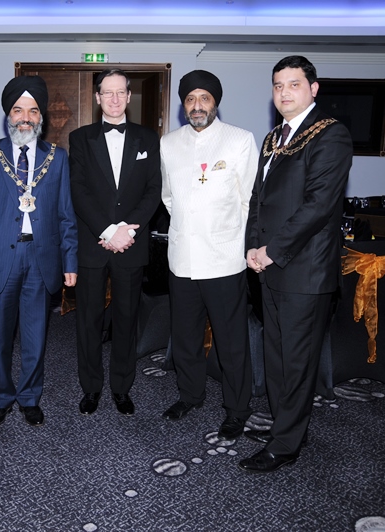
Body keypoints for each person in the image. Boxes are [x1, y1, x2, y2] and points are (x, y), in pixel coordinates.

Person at [240, 56, 352, 473]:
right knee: (276, 355)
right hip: (269, 265)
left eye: (293, 84)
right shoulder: (274, 137)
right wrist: (253, 247)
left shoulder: (331, 134)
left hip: (304, 270)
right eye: (278, 85)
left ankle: (285, 445)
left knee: (297, 360)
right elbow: (258, 200)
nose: (284, 92)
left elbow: (318, 206)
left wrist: (272, 250)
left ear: (313, 89)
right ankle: (285, 426)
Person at [0, 75, 78, 428]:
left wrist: (70, 260)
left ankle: (30, 397)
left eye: (33, 111)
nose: (25, 118)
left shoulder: (57, 158)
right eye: (18, 110)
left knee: (36, 336)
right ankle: (0, 397)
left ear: (41, 117)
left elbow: (66, 214)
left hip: (41, 258)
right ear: (8, 114)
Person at [159, 70, 257, 441]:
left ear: (215, 102)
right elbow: (169, 197)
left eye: (204, 98)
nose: (197, 105)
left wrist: (237, 242)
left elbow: (249, 200)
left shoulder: (239, 139)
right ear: (183, 105)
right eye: (190, 99)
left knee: (231, 342)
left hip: (224, 259)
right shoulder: (169, 143)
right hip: (182, 257)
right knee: (185, 337)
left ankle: (237, 409)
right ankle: (190, 395)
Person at [68, 68, 161, 416]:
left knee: (127, 319)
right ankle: (91, 387)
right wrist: (108, 231)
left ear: (129, 96)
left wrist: (127, 231)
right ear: (97, 98)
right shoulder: (80, 138)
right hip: (94, 244)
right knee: (88, 321)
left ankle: (122, 387)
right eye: (108, 92)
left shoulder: (148, 138)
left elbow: (154, 189)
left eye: (121, 91)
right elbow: (78, 191)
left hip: (131, 245)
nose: (115, 98)